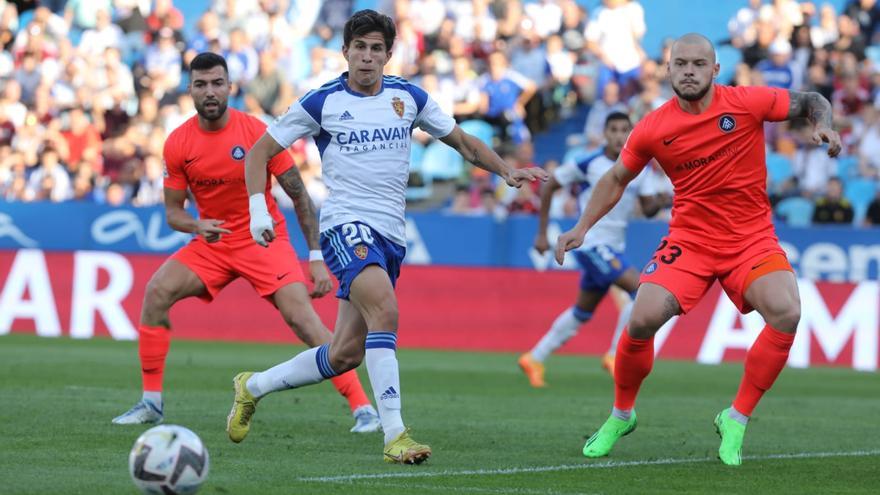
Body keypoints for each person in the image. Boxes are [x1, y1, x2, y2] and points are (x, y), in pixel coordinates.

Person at [232, 10, 547, 464]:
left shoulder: (408, 98)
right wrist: (257, 208)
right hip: (345, 225)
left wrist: (506, 169)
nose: (366, 56)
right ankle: (395, 434)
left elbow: (461, 142)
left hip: (390, 236)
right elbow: (259, 152)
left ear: (388, 54)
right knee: (386, 309)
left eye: (375, 48)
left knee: (343, 355)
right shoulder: (321, 102)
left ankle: (252, 386)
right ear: (345, 53)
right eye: (358, 47)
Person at [556, 33, 841, 466]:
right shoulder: (654, 126)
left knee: (787, 311)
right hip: (690, 240)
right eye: (680, 64)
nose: (689, 71)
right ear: (668, 70)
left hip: (750, 239)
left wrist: (823, 124)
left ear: (715, 70)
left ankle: (736, 417)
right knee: (641, 319)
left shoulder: (747, 102)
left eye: (698, 64)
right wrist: (581, 226)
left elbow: (811, 99)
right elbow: (617, 179)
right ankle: (621, 415)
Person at [111, 53, 381, 434]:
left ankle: (362, 408)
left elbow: (300, 196)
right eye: (201, 84)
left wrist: (316, 257)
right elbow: (173, 213)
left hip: (263, 239)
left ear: (230, 88)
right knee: (156, 292)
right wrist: (196, 224)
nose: (210, 92)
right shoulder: (178, 143)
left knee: (303, 320)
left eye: (217, 83)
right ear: (189, 90)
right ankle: (151, 403)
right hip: (214, 241)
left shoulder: (256, 131)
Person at [519, 112, 658, 387]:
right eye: (614, 130)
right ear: (605, 134)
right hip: (592, 243)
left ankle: (534, 358)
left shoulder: (639, 166)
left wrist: (664, 199)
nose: (619, 135)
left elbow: (650, 208)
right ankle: (614, 355)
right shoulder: (589, 162)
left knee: (582, 311)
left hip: (614, 246)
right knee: (641, 292)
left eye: (624, 130)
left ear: (631, 133)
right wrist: (542, 233)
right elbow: (549, 187)